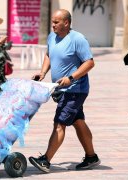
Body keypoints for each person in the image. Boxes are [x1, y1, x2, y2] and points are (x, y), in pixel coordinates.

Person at [29, 9, 100, 173]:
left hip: (75, 89)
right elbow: (48, 54)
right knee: (78, 121)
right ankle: (91, 157)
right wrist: (43, 72)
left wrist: (71, 78)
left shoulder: (78, 39)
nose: (52, 25)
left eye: (56, 22)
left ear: (66, 23)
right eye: (52, 21)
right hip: (61, 89)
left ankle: (46, 161)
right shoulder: (52, 36)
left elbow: (89, 63)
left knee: (60, 123)